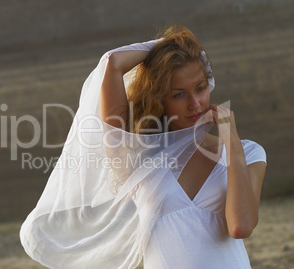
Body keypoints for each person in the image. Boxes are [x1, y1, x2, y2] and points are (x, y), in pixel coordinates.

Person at [20, 25, 267, 269]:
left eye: (200, 88)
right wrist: (168, 46)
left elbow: (240, 226)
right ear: (159, 98)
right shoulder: (138, 159)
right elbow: (113, 62)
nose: (195, 104)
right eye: (178, 94)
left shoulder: (249, 152)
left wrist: (232, 141)